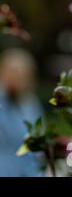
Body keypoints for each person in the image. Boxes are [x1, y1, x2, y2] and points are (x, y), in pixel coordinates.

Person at [0, 48, 43, 176]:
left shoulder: (31, 104)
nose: (16, 77)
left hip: (29, 170)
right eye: (12, 72)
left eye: (21, 73)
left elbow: (40, 138)